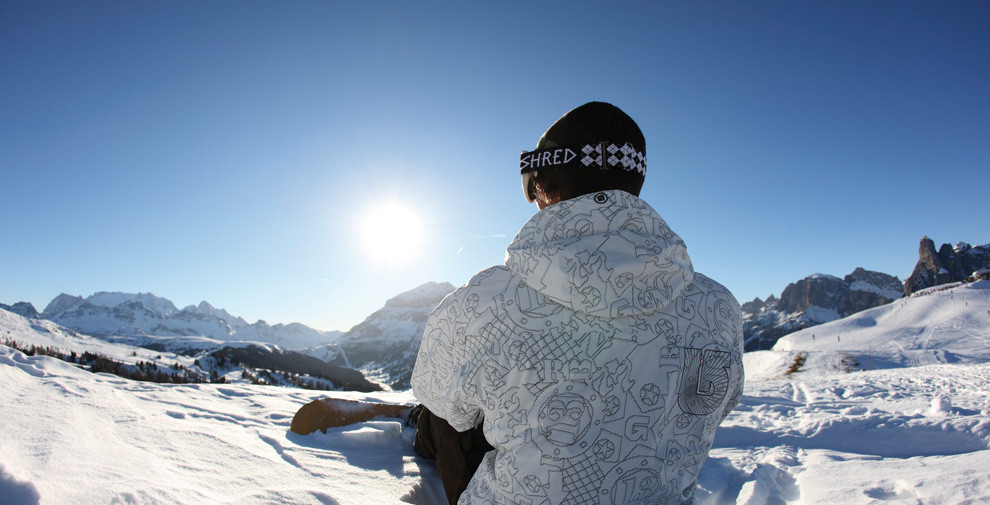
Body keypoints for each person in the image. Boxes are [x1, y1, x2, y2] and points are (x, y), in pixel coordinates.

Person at [410, 101, 744, 505]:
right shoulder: (719, 308)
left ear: (546, 188)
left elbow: (437, 393)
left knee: (442, 416)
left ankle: (417, 428)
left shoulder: (481, 302)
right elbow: (718, 403)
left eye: (533, 187)